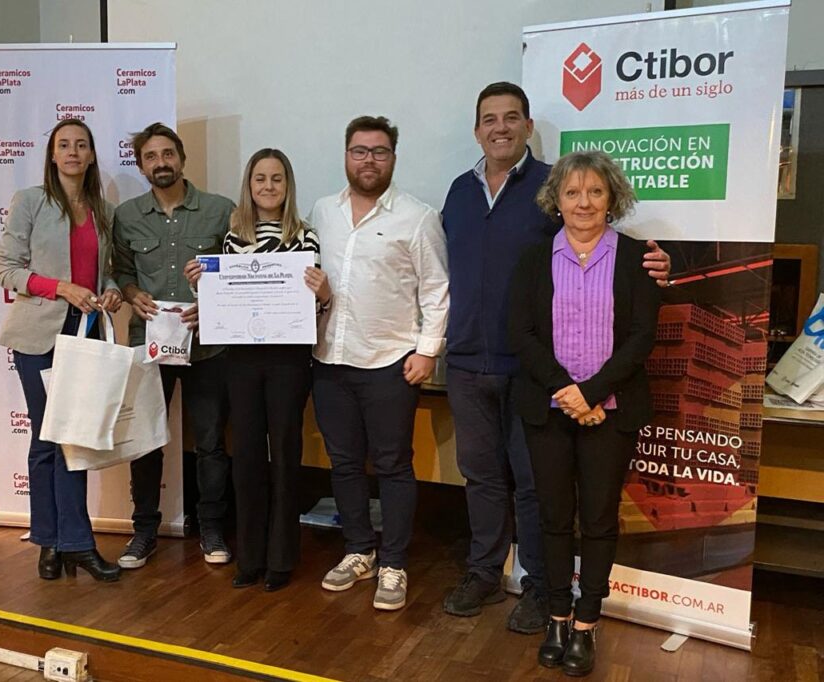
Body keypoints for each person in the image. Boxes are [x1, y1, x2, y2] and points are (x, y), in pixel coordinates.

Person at [440, 82, 671, 633]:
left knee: (535, 487)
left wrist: (663, 264)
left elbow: (603, 255)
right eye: (489, 118)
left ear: (527, 127)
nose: (500, 127)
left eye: (511, 117)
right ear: (477, 129)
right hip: (471, 360)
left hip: (534, 374)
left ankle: (540, 587)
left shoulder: (549, 183)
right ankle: (484, 572)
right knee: (480, 477)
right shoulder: (458, 192)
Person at [508, 150, 661, 676]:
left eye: (595, 191)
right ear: (556, 199)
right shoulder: (533, 259)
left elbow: (642, 337)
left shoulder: (638, 258)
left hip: (611, 412)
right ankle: (556, 615)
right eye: (572, 192)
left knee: (597, 520)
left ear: (612, 198)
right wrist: (567, 392)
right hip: (547, 410)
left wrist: (592, 393)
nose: (584, 202)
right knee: (553, 517)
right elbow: (521, 333)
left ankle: (586, 623)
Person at [310, 116, 449, 611]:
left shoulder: (418, 217)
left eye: (379, 151)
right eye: (359, 151)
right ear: (346, 155)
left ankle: (393, 562)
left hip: (390, 362)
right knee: (344, 463)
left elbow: (437, 288)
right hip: (329, 359)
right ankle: (358, 551)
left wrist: (427, 350)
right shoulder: (321, 212)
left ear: (393, 157)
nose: (368, 160)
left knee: (393, 465)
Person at [185, 149, 329, 592]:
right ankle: (249, 557)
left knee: (284, 454)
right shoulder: (233, 240)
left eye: (277, 178)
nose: (268, 186)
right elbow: (228, 302)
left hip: (289, 360)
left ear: (288, 185)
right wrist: (202, 287)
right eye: (260, 179)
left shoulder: (305, 237)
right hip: (242, 361)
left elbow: (312, 306)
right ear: (249, 186)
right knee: (246, 456)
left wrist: (322, 293)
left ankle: (281, 559)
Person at [0, 118, 122, 582]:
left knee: (76, 439)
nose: (72, 152)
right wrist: (61, 288)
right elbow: (6, 269)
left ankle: (74, 543)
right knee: (47, 439)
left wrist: (111, 290)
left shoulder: (103, 210)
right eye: (64, 145)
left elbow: (107, 270)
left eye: (81, 145)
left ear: (91, 155)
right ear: (52, 154)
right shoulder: (30, 201)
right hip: (38, 336)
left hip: (85, 333)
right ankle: (51, 542)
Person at [112, 122, 235, 568]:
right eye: (151, 156)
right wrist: (131, 294)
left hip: (207, 346)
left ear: (181, 158)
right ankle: (143, 531)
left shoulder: (220, 210)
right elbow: (122, 271)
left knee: (211, 443)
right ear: (141, 165)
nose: (160, 162)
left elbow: (238, 272)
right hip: (149, 344)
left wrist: (213, 304)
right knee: (145, 440)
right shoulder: (126, 215)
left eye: (168, 154)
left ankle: (212, 528)